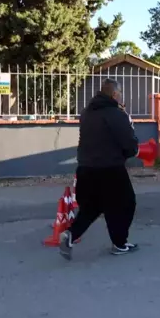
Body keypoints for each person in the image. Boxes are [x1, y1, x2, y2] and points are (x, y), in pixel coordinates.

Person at [59, 78, 140, 260]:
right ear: (114, 94)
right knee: (126, 204)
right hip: (110, 169)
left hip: (86, 168)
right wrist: (132, 149)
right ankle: (119, 243)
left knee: (91, 207)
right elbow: (128, 143)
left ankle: (70, 235)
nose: (121, 97)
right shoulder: (116, 114)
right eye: (120, 94)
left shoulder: (87, 113)